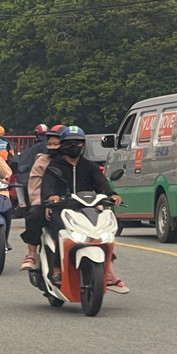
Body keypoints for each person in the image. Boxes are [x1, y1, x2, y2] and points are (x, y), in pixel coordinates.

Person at [40, 126, 128, 293]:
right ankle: (57, 267)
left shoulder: (89, 166)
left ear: (83, 145)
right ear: (62, 145)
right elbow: (47, 185)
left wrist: (111, 194)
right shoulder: (54, 166)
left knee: (103, 232)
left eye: (78, 143)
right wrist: (52, 196)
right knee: (60, 229)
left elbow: (101, 182)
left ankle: (109, 271)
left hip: (87, 208)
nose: (74, 146)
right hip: (63, 209)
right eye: (69, 143)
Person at [19, 127, 62, 270]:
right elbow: (35, 187)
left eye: (56, 144)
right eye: (50, 144)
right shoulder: (43, 161)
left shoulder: (78, 162)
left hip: (72, 203)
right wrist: (42, 204)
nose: (53, 147)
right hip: (45, 203)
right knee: (33, 216)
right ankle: (32, 254)